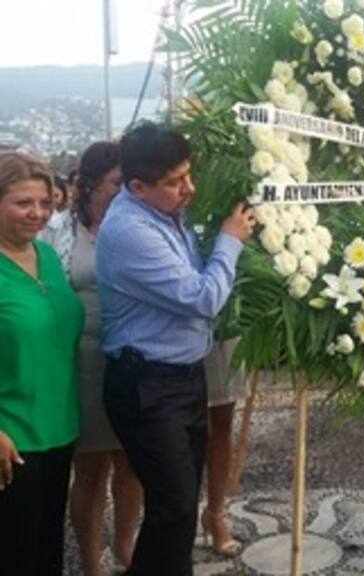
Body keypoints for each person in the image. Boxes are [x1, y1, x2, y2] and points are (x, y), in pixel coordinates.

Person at [96, 122, 255, 575]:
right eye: (175, 182)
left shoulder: (164, 214)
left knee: (179, 507)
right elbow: (202, 298)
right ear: (137, 187)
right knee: (173, 508)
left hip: (182, 378)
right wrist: (230, 239)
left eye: (188, 174)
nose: (189, 188)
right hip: (147, 384)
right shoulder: (130, 231)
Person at [45, 142, 143, 576]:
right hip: (80, 361)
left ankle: (125, 547)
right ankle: (90, 561)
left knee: (132, 463)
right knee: (89, 469)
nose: (123, 192)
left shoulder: (140, 224)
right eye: (116, 184)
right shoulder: (57, 230)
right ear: (88, 186)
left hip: (132, 356)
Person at [0, 152, 84, 575]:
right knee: (15, 554)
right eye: (22, 203)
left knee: (48, 546)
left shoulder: (46, 257)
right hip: (11, 438)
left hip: (57, 427)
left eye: (45, 203)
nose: (37, 213)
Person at [201, 337, 247, 557]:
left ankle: (215, 513)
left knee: (222, 419)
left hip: (222, 326)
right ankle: (177, 515)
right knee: (178, 425)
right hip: (175, 324)